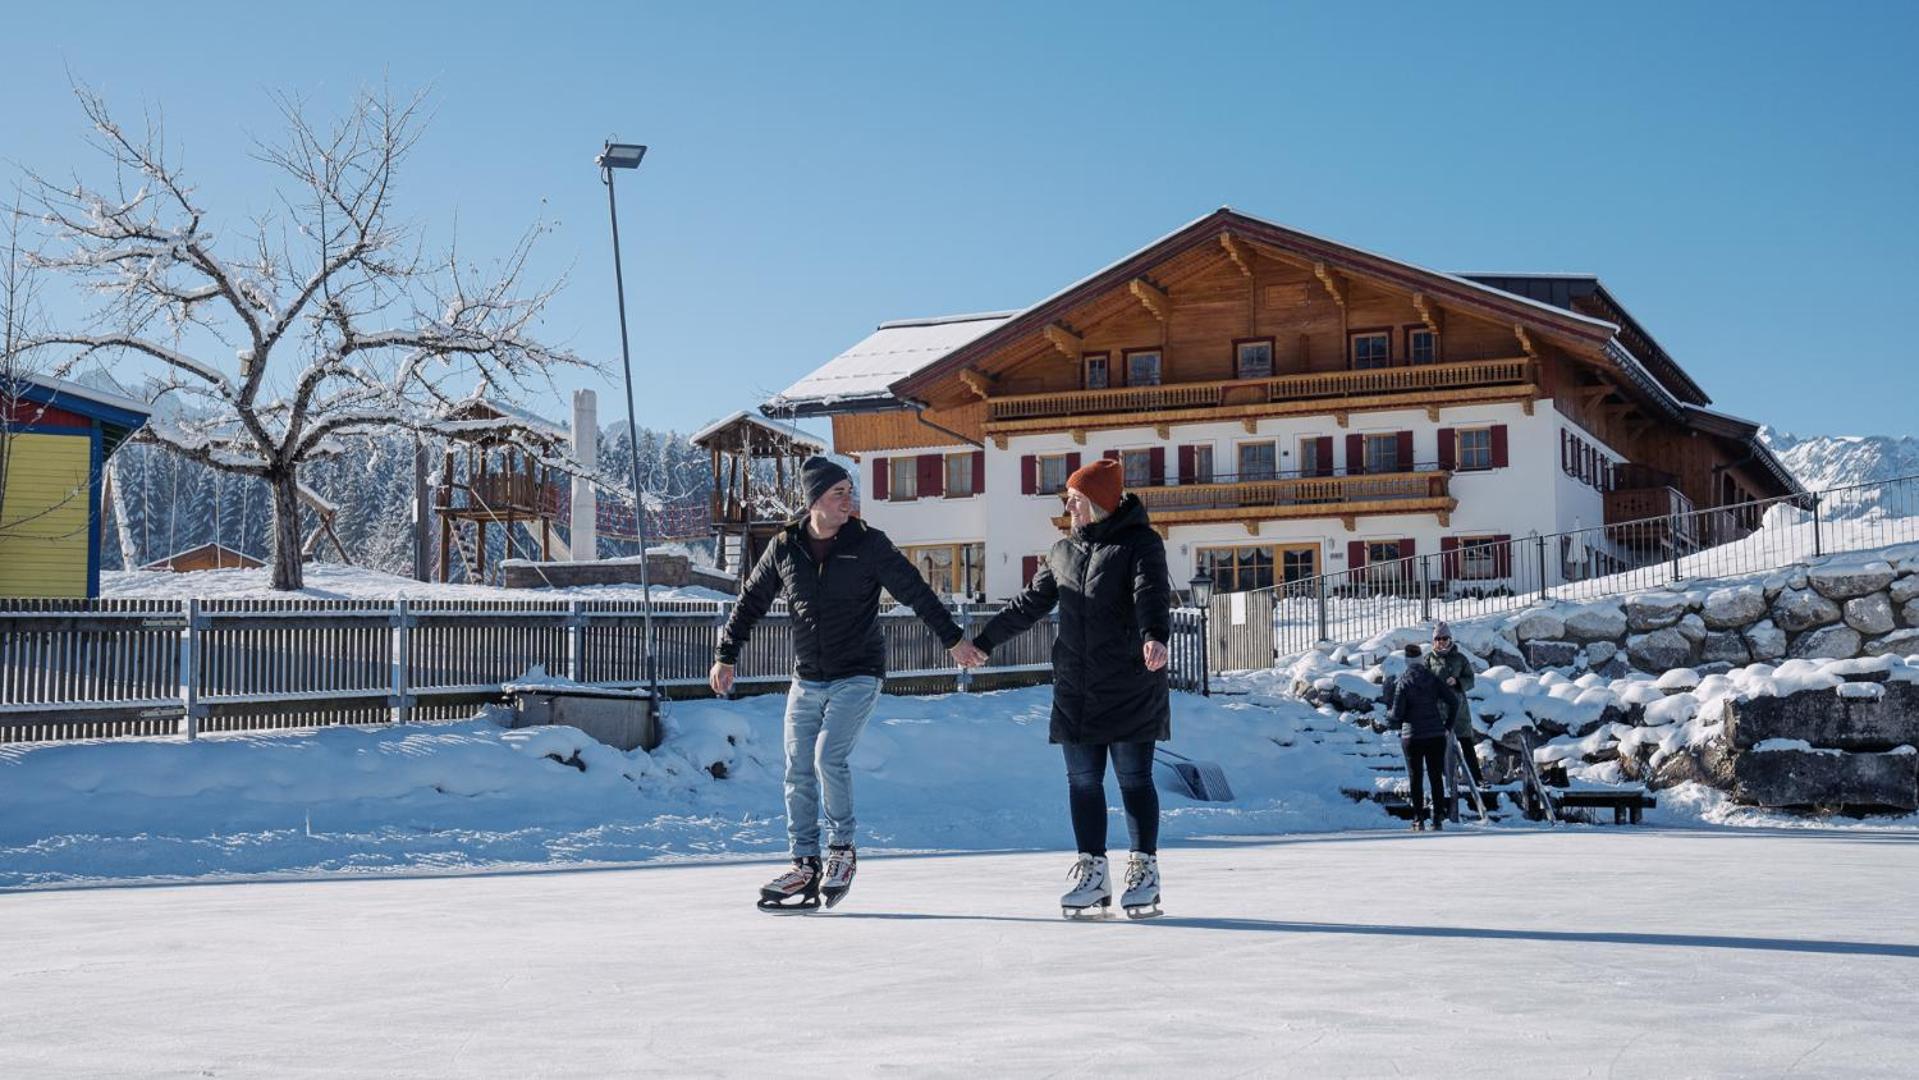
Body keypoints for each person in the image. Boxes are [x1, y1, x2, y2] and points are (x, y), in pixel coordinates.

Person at [711, 456, 986, 913]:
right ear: (815, 500)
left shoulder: (869, 544)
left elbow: (916, 591)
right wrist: (726, 655)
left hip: (858, 673)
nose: (849, 501)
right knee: (796, 766)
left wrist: (953, 639)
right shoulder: (785, 546)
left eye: (849, 492)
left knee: (826, 756)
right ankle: (804, 863)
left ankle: (841, 851)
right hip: (808, 677)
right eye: (839, 493)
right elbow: (750, 603)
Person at [969, 458, 1173, 919]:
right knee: (1082, 782)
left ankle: (1144, 872)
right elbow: (1027, 605)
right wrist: (983, 642)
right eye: (1069, 500)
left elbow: (1150, 593)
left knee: (1133, 779)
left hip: (1130, 681)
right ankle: (1093, 873)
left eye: (1077, 501)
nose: (1070, 508)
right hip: (1077, 686)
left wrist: (1154, 635)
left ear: (1101, 503)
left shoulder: (1141, 544)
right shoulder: (1062, 552)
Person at [1390, 642, 1461, 831]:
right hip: (1436, 734)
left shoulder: (1403, 682)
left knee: (1416, 777)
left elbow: (1397, 714)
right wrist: (1447, 726)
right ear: (1421, 660)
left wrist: (1393, 717)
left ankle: (1418, 818)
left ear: (1406, 661)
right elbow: (1454, 702)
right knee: (1436, 776)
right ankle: (1437, 818)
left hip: (1412, 736)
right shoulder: (1433, 678)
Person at [1424, 621, 1482, 791]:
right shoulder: (1428, 659)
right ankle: (1444, 779)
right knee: (1440, 745)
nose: (1441, 642)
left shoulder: (1460, 658)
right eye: (1438, 638)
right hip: (1438, 710)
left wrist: (1457, 682)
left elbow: (1471, 680)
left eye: (1445, 638)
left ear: (1450, 639)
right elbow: (1423, 681)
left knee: (1466, 742)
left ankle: (1477, 778)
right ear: (1433, 640)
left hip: (1459, 708)